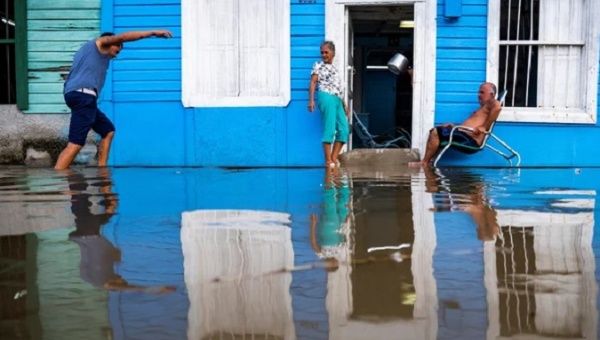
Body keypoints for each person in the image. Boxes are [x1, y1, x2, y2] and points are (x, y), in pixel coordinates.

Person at [54, 30, 173, 170]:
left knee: (108, 130)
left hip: (80, 96)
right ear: (110, 41)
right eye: (119, 46)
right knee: (75, 143)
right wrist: (152, 33)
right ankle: (59, 179)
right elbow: (122, 37)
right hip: (83, 96)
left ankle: (102, 169)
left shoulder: (89, 54)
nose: (120, 50)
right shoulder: (98, 43)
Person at [67, 168, 175, 293]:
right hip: (86, 235)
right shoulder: (91, 278)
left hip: (89, 233)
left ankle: (82, 179)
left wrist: (149, 289)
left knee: (88, 205)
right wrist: (113, 255)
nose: (121, 277)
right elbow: (96, 258)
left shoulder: (101, 280)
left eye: (121, 280)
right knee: (98, 209)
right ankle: (89, 181)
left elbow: (114, 284)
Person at [410, 82, 502, 167]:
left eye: (482, 92)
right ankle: (429, 161)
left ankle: (424, 162)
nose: (478, 95)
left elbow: (498, 107)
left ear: (492, 95)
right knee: (437, 131)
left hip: (471, 141)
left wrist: (484, 127)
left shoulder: (492, 102)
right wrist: (453, 126)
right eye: (478, 92)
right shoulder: (483, 108)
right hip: (464, 135)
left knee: (435, 132)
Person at [308, 41, 350, 168]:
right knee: (330, 129)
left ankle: (333, 157)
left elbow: (338, 88)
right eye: (322, 52)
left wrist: (344, 104)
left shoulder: (336, 70)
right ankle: (328, 161)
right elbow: (313, 83)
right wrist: (311, 100)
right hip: (326, 96)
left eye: (326, 52)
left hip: (337, 99)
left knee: (344, 130)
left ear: (333, 53)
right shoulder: (318, 65)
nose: (324, 55)